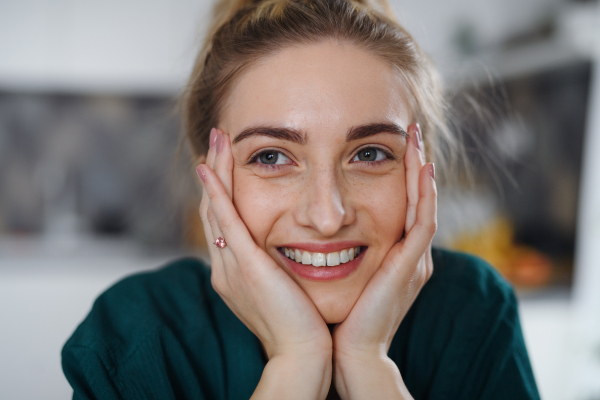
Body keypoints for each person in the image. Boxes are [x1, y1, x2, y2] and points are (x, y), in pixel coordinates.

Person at [62, 0, 541, 398]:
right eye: (271, 157)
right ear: (210, 174)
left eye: (370, 153)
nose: (328, 217)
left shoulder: (473, 312)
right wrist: (295, 365)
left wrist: (368, 366)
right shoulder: (134, 338)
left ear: (422, 170)